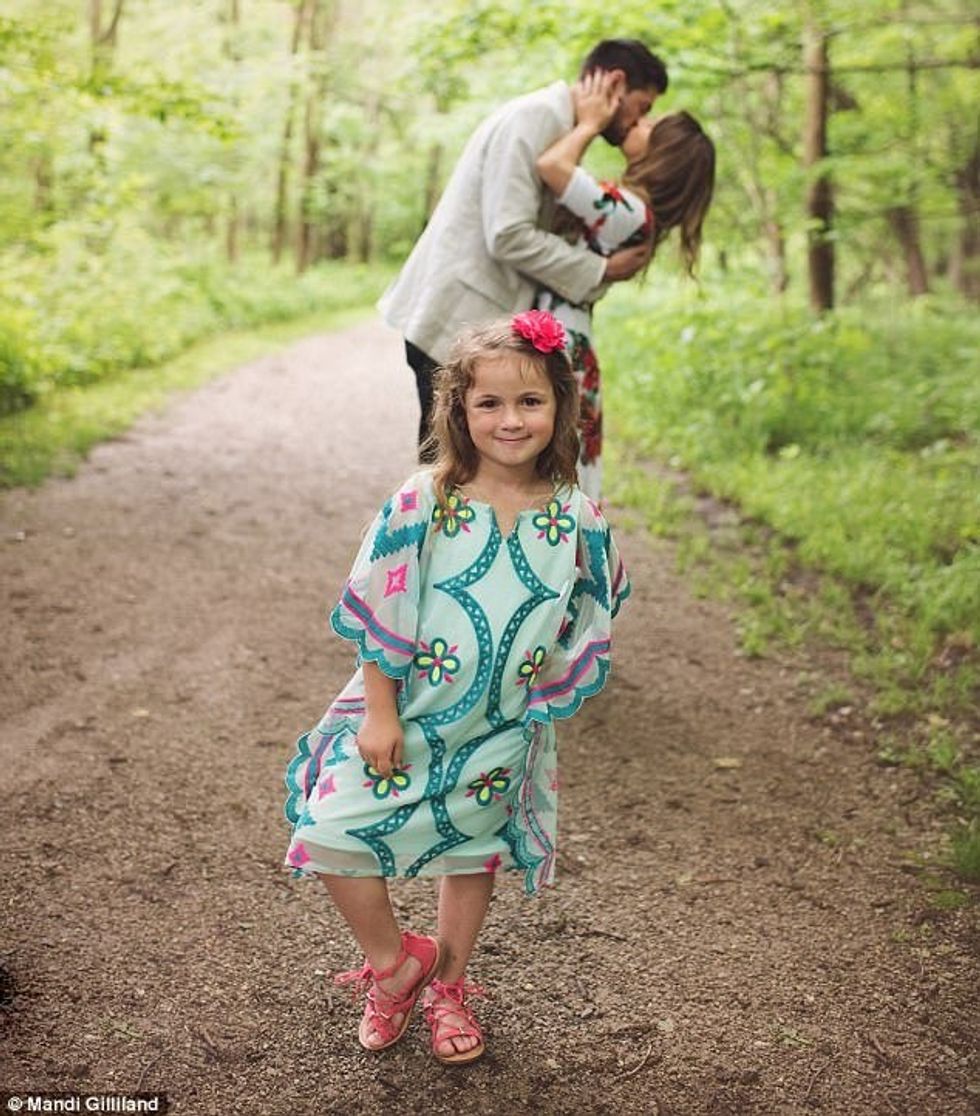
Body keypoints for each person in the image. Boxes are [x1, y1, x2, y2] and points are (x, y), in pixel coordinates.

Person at [284, 310, 630, 1064]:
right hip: (407, 714)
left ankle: (449, 985)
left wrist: (544, 679)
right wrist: (379, 711)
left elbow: (596, 603)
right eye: (490, 404)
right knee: (331, 833)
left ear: (561, 409)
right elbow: (381, 603)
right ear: (459, 411)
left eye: (530, 402)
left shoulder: (576, 519)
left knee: (469, 855)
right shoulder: (426, 502)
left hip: (500, 725)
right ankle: (396, 967)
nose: (511, 420)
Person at [378, 39, 668, 458]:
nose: (638, 121)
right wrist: (599, 269)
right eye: (641, 107)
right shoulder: (535, 118)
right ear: (616, 84)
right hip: (453, 322)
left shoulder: (559, 128)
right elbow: (508, 234)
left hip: (473, 327)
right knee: (448, 479)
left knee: (469, 481)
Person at [534, 72, 717, 499]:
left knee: (551, 483)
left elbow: (551, 167)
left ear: (664, 154)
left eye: (651, 127)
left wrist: (589, 124)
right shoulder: (634, 211)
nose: (637, 125)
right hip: (566, 336)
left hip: (560, 343)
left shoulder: (630, 211)